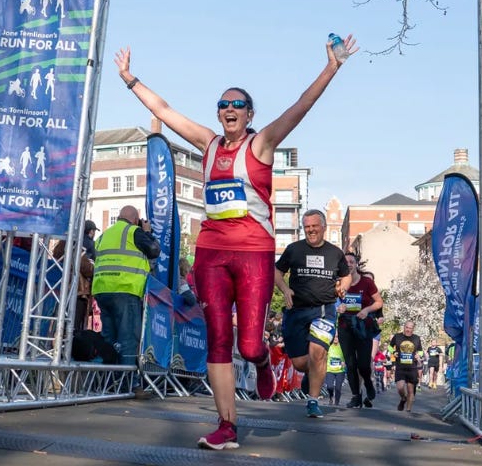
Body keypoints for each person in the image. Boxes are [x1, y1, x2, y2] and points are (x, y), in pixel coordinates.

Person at [115, 33, 354, 450]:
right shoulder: (207, 143)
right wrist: (131, 80)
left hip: (253, 255)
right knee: (220, 340)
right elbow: (166, 111)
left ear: (249, 114)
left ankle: (260, 360)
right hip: (211, 252)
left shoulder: (260, 145)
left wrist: (331, 67)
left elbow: (301, 105)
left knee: (247, 343)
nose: (228, 109)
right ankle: (227, 425)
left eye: (237, 104)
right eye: (223, 104)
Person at [274, 209, 351, 419]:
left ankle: (313, 401)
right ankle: (315, 372)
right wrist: (285, 289)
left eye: (314, 226)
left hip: (324, 310)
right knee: (300, 363)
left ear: (323, 227)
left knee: (318, 354)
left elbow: (346, 277)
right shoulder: (293, 250)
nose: (311, 230)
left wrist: (342, 288)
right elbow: (277, 271)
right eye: (307, 227)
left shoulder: (335, 253)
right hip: (297, 310)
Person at [91, 206, 161, 385]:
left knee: (110, 338)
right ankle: (128, 382)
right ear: (136, 220)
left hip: (102, 289)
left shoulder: (104, 235)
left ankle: (108, 381)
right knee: (128, 337)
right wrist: (148, 233)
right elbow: (154, 250)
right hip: (125, 289)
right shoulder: (134, 232)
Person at [336, 251, 383, 408]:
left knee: (363, 364)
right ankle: (356, 396)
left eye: (351, 261)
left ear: (356, 264)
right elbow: (331, 301)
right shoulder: (338, 283)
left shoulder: (367, 283)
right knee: (350, 364)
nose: (348, 264)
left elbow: (378, 302)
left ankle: (368, 383)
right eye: (345, 262)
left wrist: (367, 310)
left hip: (363, 327)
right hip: (345, 327)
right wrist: (339, 307)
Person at [53, 239, 94, 333]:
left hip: (59, 290)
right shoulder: (76, 250)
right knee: (72, 327)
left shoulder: (58, 249)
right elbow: (87, 269)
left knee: (59, 323)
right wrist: (92, 265)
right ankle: (68, 346)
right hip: (76, 291)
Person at [389, 321, 424, 412]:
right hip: (400, 366)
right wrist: (393, 352)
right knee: (400, 388)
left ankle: (408, 410)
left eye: (410, 328)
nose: (408, 329)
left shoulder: (416, 338)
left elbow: (420, 350)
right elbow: (390, 347)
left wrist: (418, 355)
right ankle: (403, 398)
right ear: (404, 327)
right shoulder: (397, 336)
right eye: (407, 327)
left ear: (413, 329)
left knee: (410, 390)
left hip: (412, 367)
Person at [325, 335, 346, 406]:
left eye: (337, 337)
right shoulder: (328, 346)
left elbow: (348, 356)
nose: (335, 338)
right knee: (329, 386)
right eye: (334, 337)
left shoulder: (343, 347)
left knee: (338, 388)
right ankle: (331, 397)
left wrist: (345, 362)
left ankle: (337, 402)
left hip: (340, 371)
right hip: (329, 370)